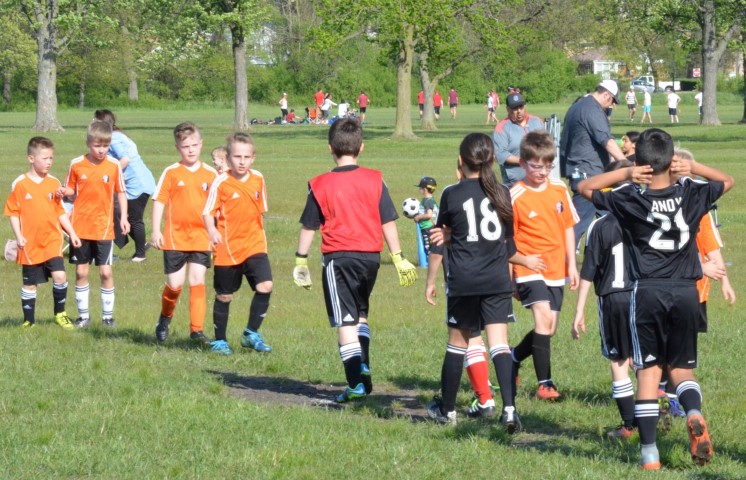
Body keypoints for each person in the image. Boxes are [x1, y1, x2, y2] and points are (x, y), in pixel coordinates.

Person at [577, 128, 734, 470]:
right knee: (681, 369)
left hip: (647, 291)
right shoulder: (691, 192)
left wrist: (625, 174)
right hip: (687, 291)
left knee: (648, 373)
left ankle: (649, 454)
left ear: (641, 163)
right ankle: (693, 413)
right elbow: (728, 181)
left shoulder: (631, 198)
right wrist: (693, 169)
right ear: (672, 160)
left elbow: (584, 187)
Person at [292, 118, 417, 403]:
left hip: (338, 259)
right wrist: (398, 257)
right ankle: (364, 365)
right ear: (361, 148)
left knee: (345, 322)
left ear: (330, 149)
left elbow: (309, 226)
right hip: (370, 259)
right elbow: (388, 220)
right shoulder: (376, 179)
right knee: (360, 314)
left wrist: (301, 261)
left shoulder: (319, 184)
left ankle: (354, 385)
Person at [424, 133, 541, 431]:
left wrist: (434, 270)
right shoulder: (502, 192)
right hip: (497, 279)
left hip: (464, 280)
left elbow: (442, 236)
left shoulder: (451, 193)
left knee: (457, 345)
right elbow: (507, 246)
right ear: (490, 160)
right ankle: (510, 411)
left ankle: (447, 411)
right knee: (499, 344)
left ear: (460, 160)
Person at [510, 130, 579, 401]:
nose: (542, 172)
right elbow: (507, 240)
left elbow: (568, 227)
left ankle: (514, 357)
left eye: (548, 166)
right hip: (528, 266)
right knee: (542, 318)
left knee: (549, 328)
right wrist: (511, 278)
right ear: (523, 163)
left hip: (556, 267)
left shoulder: (559, 188)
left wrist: (572, 266)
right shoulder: (515, 195)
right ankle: (545, 385)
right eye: (536, 166)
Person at [572, 160, 637, 439]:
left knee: (618, 361)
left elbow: (588, 272)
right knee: (643, 358)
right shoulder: (643, 220)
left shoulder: (599, 226)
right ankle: (659, 402)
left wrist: (579, 311)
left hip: (612, 298)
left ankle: (629, 425)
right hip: (642, 296)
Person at [203, 132, 274, 355]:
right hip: (228, 247)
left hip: (254, 244)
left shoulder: (258, 178)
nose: (242, 162)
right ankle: (220, 341)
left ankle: (251, 333)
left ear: (253, 158)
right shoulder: (221, 182)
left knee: (265, 286)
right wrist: (212, 230)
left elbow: (260, 212)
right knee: (225, 296)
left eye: (246, 157)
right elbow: (207, 212)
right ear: (228, 157)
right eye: (237, 157)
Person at [151, 122, 218, 346]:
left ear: (201, 144)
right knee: (175, 285)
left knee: (197, 280)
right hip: (175, 238)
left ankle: (197, 331)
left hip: (201, 237)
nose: (190, 150)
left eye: (194, 145)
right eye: (185, 146)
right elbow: (159, 201)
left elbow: (219, 204)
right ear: (177, 148)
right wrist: (155, 230)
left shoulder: (211, 174)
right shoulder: (171, 172)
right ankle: (165, 318)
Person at [4, 137, 81, 329]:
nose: (49, 162)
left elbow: (60, 211)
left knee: (60, 276)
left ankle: (60, 314)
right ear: (31, 158)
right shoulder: (20, 184)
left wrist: (72, 233)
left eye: (51, 158)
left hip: (52, 241)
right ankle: (29, 320)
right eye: (44, 158)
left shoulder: (54, 183)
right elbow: (13, 213)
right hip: (30, 243)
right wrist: (19, 236)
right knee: (30, 284)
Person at [59, 120, 129, 328]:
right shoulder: (76, 164)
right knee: (81, 272)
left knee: (106, 272)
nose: (101, 150)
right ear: (88, 143)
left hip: (104, 228)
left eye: (106, 146)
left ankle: (108, 317)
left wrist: (123, 217)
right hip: (80, 228)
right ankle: (83, 316)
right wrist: (64, 191)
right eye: (97, 146)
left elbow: (121, 192)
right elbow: (71, 189)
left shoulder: (114, 165)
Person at [559, 79, 627, 246]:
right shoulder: (592, 109)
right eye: (612, 101)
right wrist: (627, 165)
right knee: (576, 225)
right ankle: (563, 257)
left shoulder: (577, 106)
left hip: (581, 170)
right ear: (607, 95)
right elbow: (607, 141)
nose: (611, 105)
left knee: (612, 217)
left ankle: (613, 255)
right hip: (589, 174)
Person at [94, 109, 156, 262]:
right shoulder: (116, 135)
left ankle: (140, 255)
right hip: (137, 182)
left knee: (134, 218)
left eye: (95, 122)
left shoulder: (114, 139)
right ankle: (142, 245)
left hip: (137, 185)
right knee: (121, 215)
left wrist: (109, 175)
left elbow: (125, 159)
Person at [493, 92, 545, 188]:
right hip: (514, 183)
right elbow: (500, 154)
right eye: (515, 108)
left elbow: (547, 145)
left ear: (525, 106)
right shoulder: (502, 128)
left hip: (539, 180)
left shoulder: (537, 121)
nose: (519, 111)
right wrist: (524, 161)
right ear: (508, 109)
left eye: (521, 107)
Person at [412, 176, 438, 258]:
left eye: (420, 187)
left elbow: (429, 215)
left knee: (428, 246)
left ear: (425, 189)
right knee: (428, 245)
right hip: (427, 227)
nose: (419, 189)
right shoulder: (427, 200)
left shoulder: (428, 201)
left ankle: (429, 261)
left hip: (428, 228)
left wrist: (418, 217)